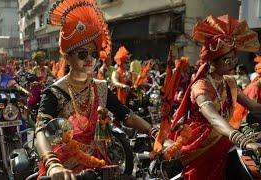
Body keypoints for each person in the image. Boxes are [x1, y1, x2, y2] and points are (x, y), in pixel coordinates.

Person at [35, 0, 154, 179]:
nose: (90, 59)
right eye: (83, 54)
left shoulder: (101, 87)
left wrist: (154, 132)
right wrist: (52, 164)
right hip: (63, 169)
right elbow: (40, 131)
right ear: (67, 58)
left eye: (94, 54)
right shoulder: (54, 93)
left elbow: (126, 115)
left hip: (98, 164)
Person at [161, 15, 261, 180]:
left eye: (233, 58)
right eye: (227, 59)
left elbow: (255, 107)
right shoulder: (201, 86)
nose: (232, 63)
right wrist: (240, 138)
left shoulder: (229, 82)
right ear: (212, 61)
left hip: (223, 138)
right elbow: (213, 118)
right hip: (201, 146)